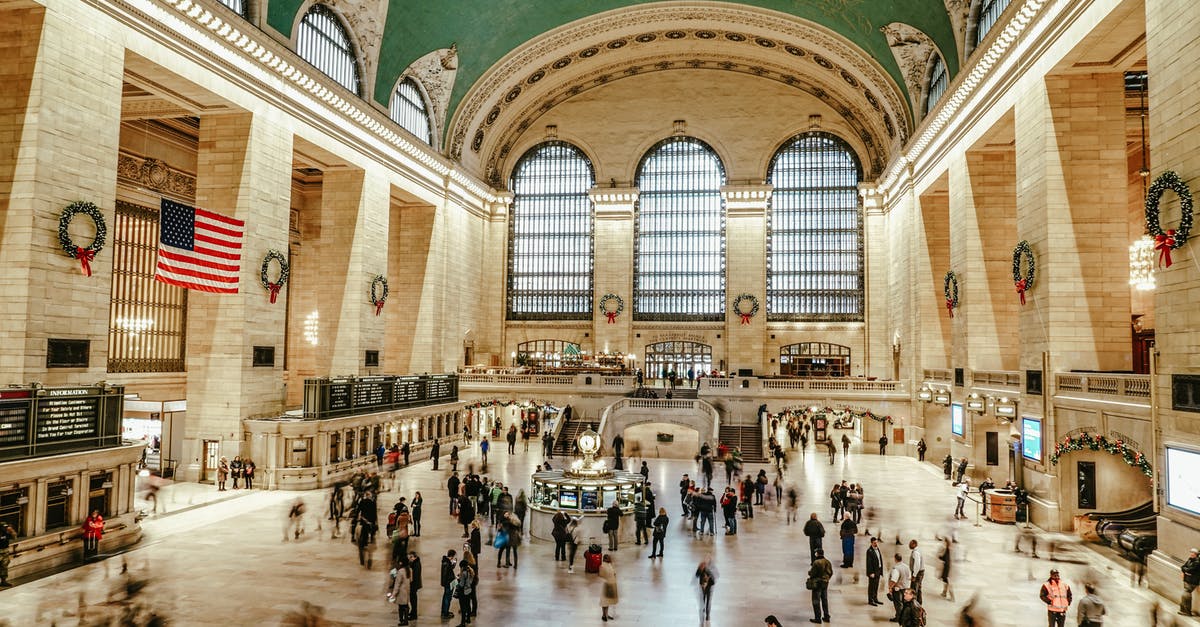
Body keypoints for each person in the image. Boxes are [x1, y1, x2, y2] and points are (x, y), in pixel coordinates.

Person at [808, 548, 833, 623]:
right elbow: (831, 572)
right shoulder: (828, 562)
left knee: (816, 601)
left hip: (818, 583)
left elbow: (812, 573)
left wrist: (809, 573)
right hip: (825, 583)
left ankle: (817, 618)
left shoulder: (816, 562)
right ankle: (826, 616)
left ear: (817, 554)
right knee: (824, 600)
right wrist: (827, 579)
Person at [888, 553, 912, 621]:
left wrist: (890, 587)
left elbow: (894, 580)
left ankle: (898, 618)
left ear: (895, 559)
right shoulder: (906, 567)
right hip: (905, 588)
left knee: (898, 604)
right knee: (904, 603)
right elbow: (909, 577)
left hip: (898, 589)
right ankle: (903, 616)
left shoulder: (896, 568)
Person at [388, 558, 411, 626]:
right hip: (407, 590)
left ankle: (402, 620)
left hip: (401, 592)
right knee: (406, 606)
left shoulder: (400, 571)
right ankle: (406, 620)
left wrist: (394, 594)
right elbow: (411, 580)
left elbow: (397, 584)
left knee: (401, 607)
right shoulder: (409, 570)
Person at [696, 557, 718, 623]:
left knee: (708, 601)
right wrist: (699, 569)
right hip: (703, 587)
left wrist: (707, 582)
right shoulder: (701, 568)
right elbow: (697, 575)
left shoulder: (709, 570)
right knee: (703, 600)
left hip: (709, 587)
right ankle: (703, 613)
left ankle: (707, 616)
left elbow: (713, 580)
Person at [454, 560, 475, 627]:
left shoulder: (464, 573)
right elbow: (470, 582)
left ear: (462, 566)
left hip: (463, 592)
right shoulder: (470, 571)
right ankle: (468, 619)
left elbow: (461, 584)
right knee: (468, 605)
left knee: (463, 607)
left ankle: (462, 623)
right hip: (469, 591)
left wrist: (456, 582)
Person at [866, 537, 885, 606]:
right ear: (871, 543)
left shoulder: (877, 549)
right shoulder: (869, 551)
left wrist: (881, 571)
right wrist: (871, 572)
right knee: (871, 586)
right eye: (874, 543)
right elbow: (869, 563)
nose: (876, 544)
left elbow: (880, 560)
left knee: (876, 586)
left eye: (876, 542)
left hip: (878, 570)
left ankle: (875, 598)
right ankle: (870, 600)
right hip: (873, 572)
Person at [599, 553, 619, 622]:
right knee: (604, 601)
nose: (610, 559)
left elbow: (614, 572)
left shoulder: (609, 565)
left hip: (610, 584)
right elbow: (601, 575)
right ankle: (604, 615)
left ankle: (606, 614)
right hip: (606, 585)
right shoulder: (603, 566)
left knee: (607, 601)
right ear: (605, 559)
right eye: (609, 558)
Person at [440, 549, 458, 620]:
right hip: (449, 583)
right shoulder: (446, 563)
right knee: (448, 598)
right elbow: (446, 574)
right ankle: (445, 613)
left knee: (446, 597)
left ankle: (444, 611)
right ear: (452, 556)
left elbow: (451, 569)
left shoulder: (446, 562)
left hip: (449, 582)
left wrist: (454, 563)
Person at [1182, 547, 1200, 616]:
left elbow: (1190, 570)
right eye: (1191, 552)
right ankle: (1184, 610)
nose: (1191, 554)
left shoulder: (1197, 562)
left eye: (1193, 553)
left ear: (1196, 554)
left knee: (1186, 594)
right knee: (1185, 594)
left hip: (1192, 581)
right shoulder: (1190, 560)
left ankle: (1187, 611)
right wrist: (1186, 571)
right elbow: (1183, 567)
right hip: (1187, 579)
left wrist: (1186, 570)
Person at [938, 536, 954, 601]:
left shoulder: (947, 549)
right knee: (946, 582)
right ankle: (944, 593)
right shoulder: (948, 549)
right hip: (947, 567)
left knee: (948, 582)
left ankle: (952, 597)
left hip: (947, 568)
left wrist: (940, 557)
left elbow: (946, 559)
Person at [0, 521, 16, 587]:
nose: (5, 528)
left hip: (5, 551)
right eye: (4, 527)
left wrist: (11, 530)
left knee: (4, 567)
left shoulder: (7, 532)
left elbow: (14, 537)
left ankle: (3, 581)